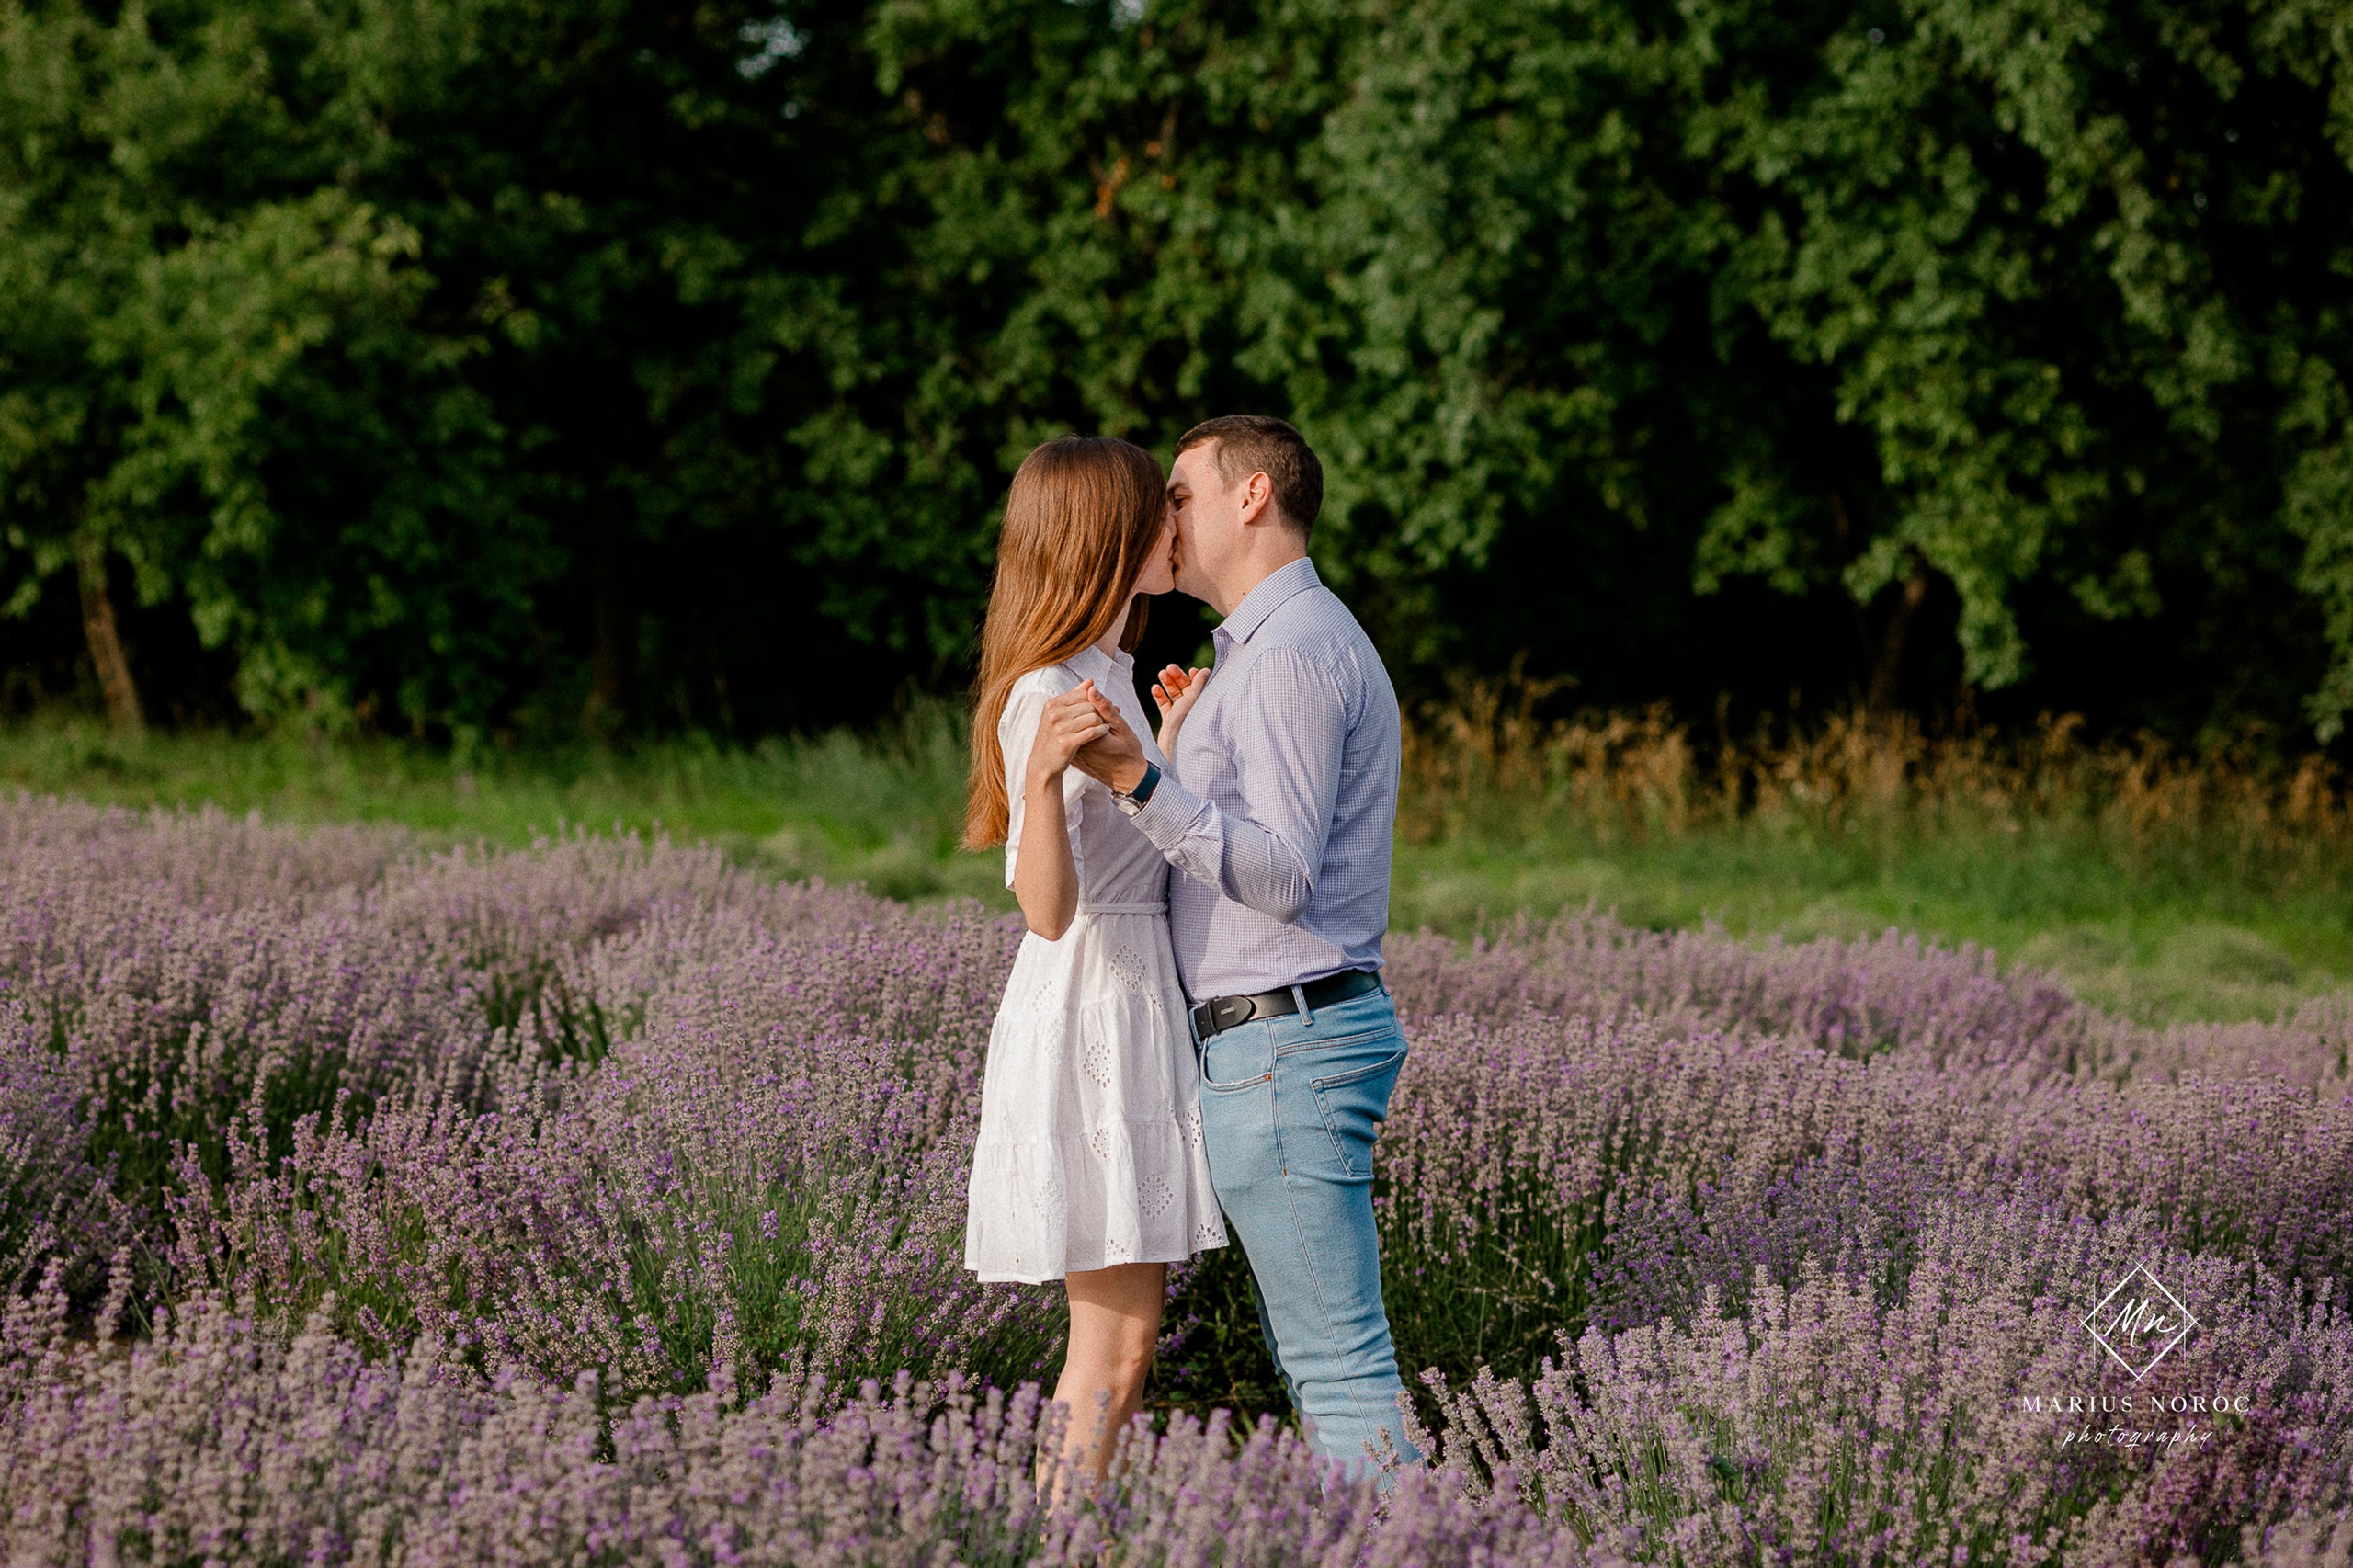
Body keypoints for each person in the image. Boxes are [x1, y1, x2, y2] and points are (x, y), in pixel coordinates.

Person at [1068, 414, 1422, 1478]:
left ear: (1251, 495)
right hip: (1280, 1042)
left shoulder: (1293, 654)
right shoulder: (1267, 651)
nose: (1163, 516)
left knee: (1337, 1366)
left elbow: (1277, 872)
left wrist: (1138, 780)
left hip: (1286, 1043)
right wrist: (1179, 762)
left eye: (1178, 495)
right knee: (1321, 1357)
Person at [961, 435, 1228, 1492]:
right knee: (1112, 1354)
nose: (1178, 526)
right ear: (1107, 536)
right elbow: (1048, 911)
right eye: (1160, 509)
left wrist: (1172, 743)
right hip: (1090, 1007)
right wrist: (1033, 777)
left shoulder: (1111, 674)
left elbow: (1155, 846)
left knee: (1123, 1351)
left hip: (1136, 997)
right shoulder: (1047, 690)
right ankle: (1059, 1538)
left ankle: (1072, 1533)